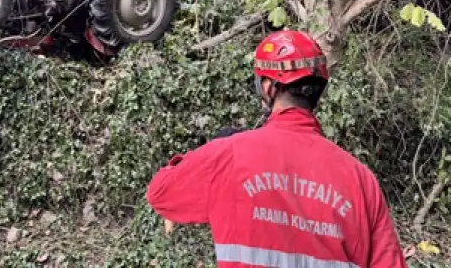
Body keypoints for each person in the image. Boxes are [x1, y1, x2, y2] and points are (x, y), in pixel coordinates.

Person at [146, 30, 408, 268]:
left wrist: (213, 150)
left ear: (268, 86)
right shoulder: (360, 180)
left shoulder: (230, 155)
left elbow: (161, 193)